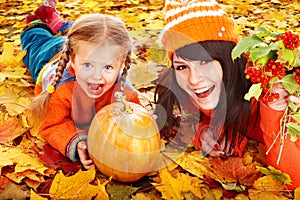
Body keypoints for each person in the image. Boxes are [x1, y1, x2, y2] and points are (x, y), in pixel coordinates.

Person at [154, 0, 300, 189]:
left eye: (205, 62)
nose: (194, 80)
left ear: (227, 58)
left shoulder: (272, 88)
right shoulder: (187, 90)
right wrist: (203, 131)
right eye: (182, 66)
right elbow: (187, 118)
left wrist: (275, 113)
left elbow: (294, 182)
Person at [21, 0, 140, 169]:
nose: (97, 76)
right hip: (48, 56)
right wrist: (77, 143)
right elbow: (52, 124)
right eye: (88, 65)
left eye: (107, 67)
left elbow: (135, 114)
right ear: (72, 60)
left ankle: (60, 24)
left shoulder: (122, 88)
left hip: (77, 48)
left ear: (121, 65)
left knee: (76, 40)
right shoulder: (60, 89)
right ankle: (37, 23)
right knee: (35, 43)